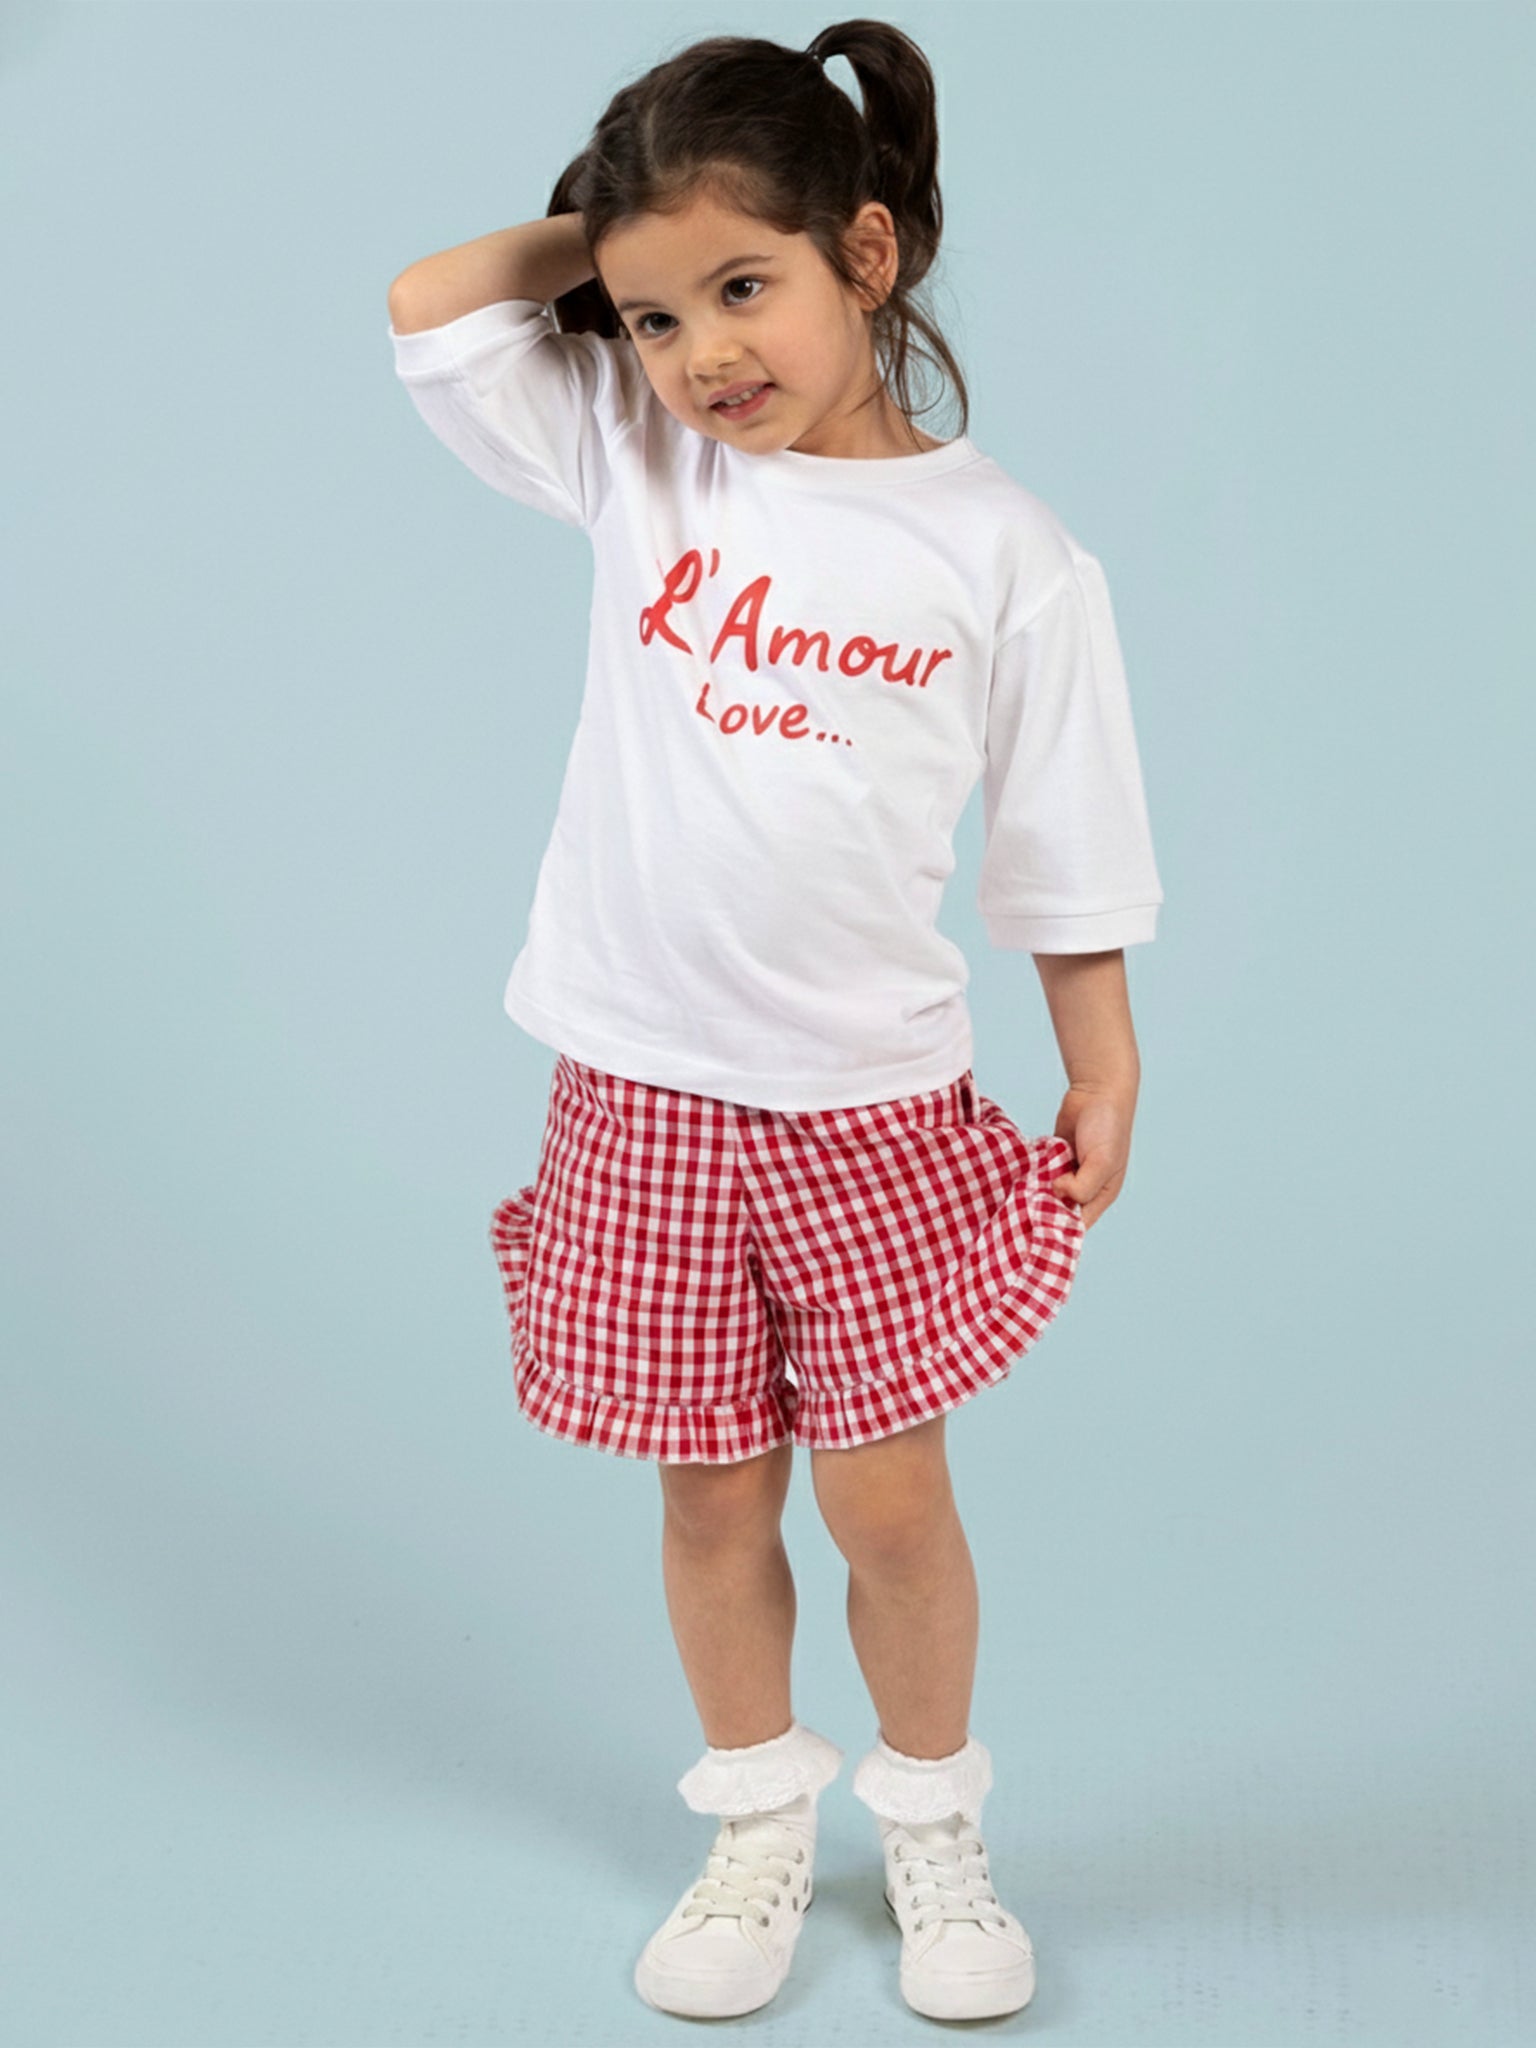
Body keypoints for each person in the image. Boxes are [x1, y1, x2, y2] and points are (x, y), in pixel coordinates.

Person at [386, 16, 1162, 2026]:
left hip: (865, 1106)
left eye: (745, 287)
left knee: (885, 1490)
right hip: (641, 1090)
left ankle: (930, 1818)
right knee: (707, 1483)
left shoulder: (1010, 556)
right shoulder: (637, 455)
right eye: (652, 317)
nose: (701, 351)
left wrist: (1104, 1049)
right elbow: (426, 308)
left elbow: (1069, 843)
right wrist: (601, 250)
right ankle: (753, 1820)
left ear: (869, 255)